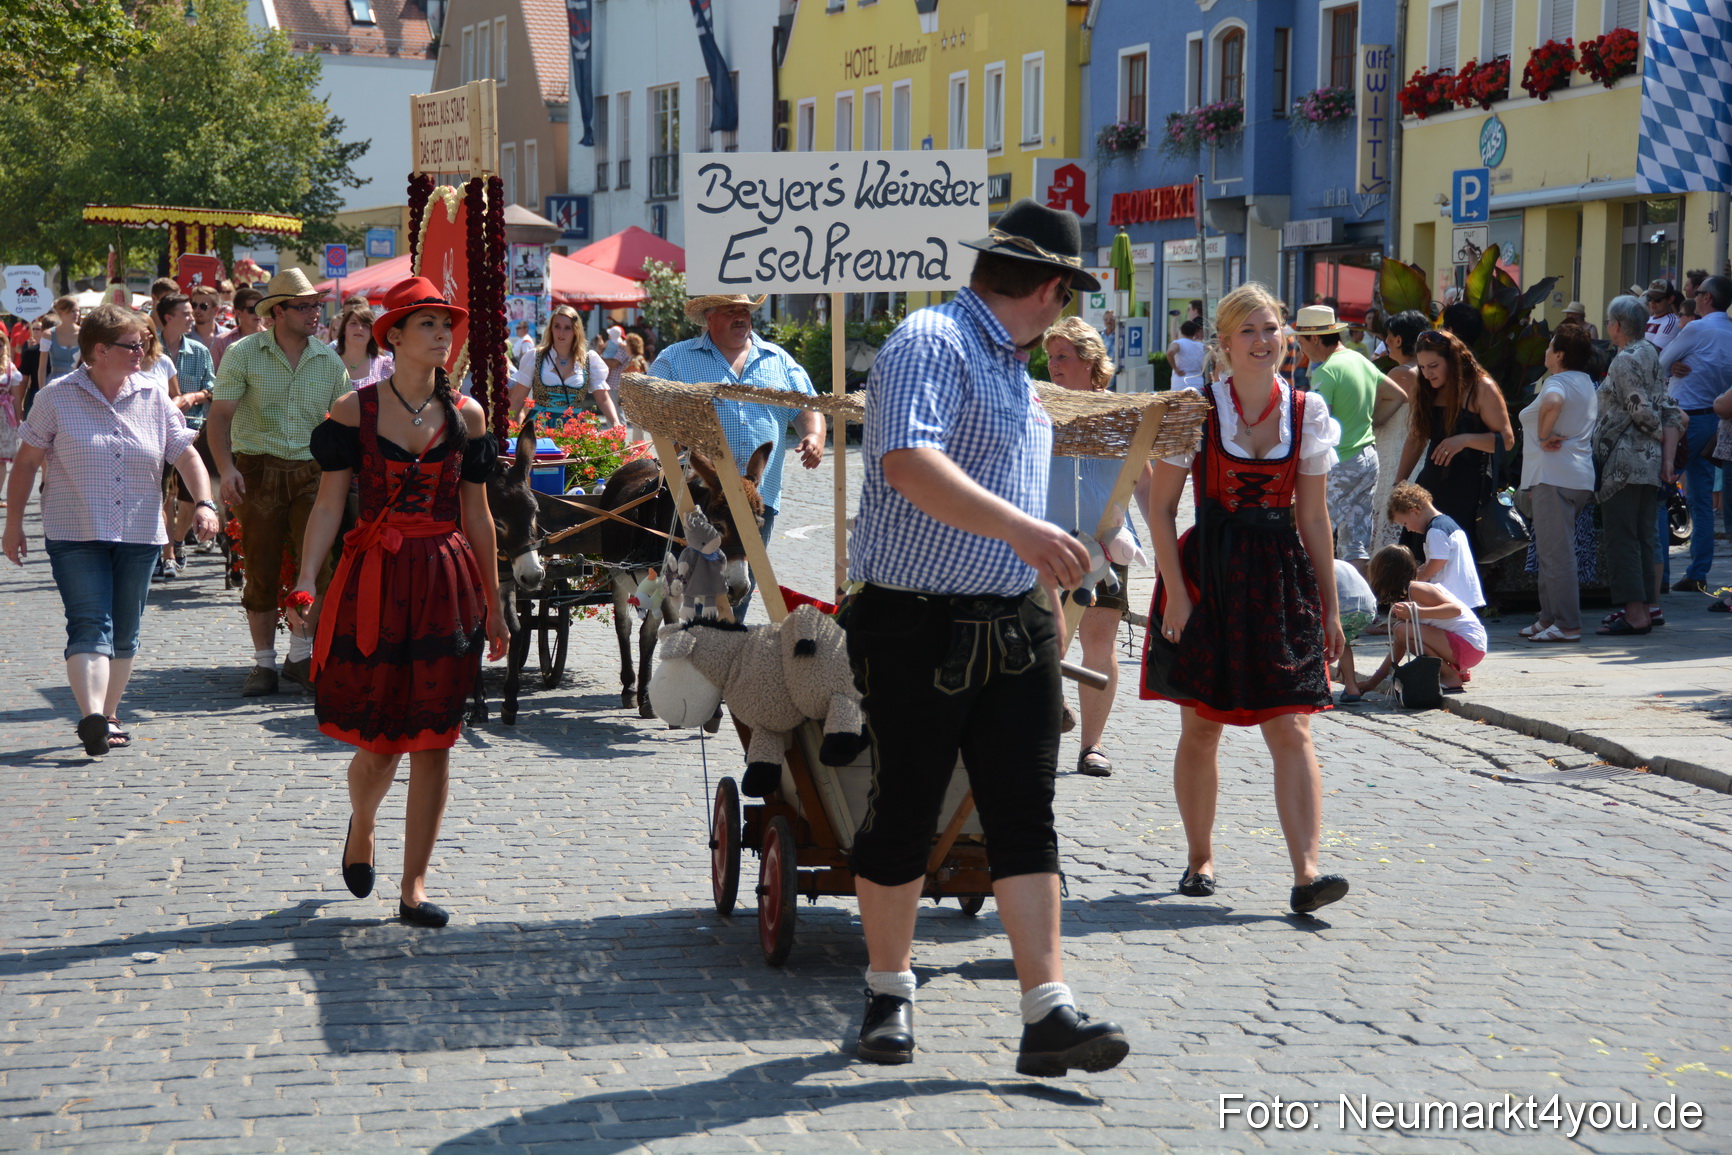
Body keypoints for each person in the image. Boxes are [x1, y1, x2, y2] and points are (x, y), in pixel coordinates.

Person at [845, 199, 1127, 1075]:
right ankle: (888, 992)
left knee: (1024, 811)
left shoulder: (1010, 364)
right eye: (1066, 292)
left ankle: (1047, 1010)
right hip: (916, 618)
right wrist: (1022, 530)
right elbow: (908, 460)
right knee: (906, 806)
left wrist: (1050, 555)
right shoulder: (932, 339)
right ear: (1048, 289)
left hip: (1014, 620)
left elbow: (1001, 477)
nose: (1063, 310)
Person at [285, 277, 507, 929]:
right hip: (375, 580)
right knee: (380, 743)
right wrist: (305, 577)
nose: (442, 335)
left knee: (435, 739)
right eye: (428, 324)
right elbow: (329, 505)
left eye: (447, 325)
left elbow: (479, 516)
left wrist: (495, 603)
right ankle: (362, 823)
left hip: (444, 580)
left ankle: (413, 887)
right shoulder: (353, 411)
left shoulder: (467, 415)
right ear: (396, 337)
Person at [1141, 281, 1348, 917]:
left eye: (1271, 329)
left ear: (1288, 337)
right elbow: (1160, 508)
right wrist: (1178, 595)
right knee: (1202, 725)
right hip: (1209, 571)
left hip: (1279, 576)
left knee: (1292, 723)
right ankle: (1200, 856)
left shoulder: (1307, 410)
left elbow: (1313, 518)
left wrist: (1330, 605)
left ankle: (1307, 872)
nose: (1263, 341)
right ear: (1225, 343)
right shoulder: (1196, 410)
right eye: (1249, 331)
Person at [3, 304, 220, 755]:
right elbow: (24, 464)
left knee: (125, 631)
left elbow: (186, 455)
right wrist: (14, 525)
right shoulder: (57, 396)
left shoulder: (153, 396)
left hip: (139, 532)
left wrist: (204, 502)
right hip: (74, 531)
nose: (143, 351)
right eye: (133, 345)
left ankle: (109, 712)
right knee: (89, 623)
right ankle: (93, 717)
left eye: (143, 343)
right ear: (100, 350)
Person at [208, 269, 353, 697]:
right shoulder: (243, 353)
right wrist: (226, 469)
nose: (314, 313)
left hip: (313, 473)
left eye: (316, 305)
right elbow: (220, 417)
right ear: (278, 312)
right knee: (261, 569)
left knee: (319, 567)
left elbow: (344, 425)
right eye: (304, 306)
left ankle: (300, 656)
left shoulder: (329, 360)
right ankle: (264, 664)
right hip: (257, 470)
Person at [649, 293, 824, 611]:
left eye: (744, 310)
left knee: (740, 586)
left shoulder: (778, 359)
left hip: (758, 499)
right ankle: (697, 638)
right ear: (709, 317)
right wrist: (672, 434)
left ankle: (728, 638)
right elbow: (647, 407)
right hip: (699, 499)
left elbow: (807, 406)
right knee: (697, 589)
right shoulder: (675, 359)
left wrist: (813, 435)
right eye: (730, 311)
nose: (740, 317)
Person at [1042, 316, 1153, 778]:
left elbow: (1144, 484)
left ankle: (1092, 745)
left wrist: (1166, 554)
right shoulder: (1040, 408)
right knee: (1042, 638)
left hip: (1107, 545)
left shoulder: (1121, 414)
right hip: (1045, 541)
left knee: (1099, 641)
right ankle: (1045, 714)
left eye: (1062, 356)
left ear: (1089, 361)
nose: (1053, 365)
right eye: (1049, 357)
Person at [1594, 294, 1685, 634]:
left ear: (1617, 325)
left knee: (1623, 538)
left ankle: (1635, 614)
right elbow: (1669, 407)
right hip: (1647, 464)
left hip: (1624, 463)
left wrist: (1659, 438)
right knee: (1644, 537)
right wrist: (1666, 454)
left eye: (1609, 322)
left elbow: (1642, 410)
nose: (1608, 327)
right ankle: (1646, 608)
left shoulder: (1625, 359)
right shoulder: (1650, 353)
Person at [1295, 304, 1408, 576]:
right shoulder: (1360, 360)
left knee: (1310, 534)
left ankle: (1310, 596)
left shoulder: (1326, 371)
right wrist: (1371, 421)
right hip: (1368, 459)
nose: (1301, 349)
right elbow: (1398, 395)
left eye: (1301, 341)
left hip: (1340, 463)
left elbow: (1318, 427)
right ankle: (1358, 599)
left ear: (1314, 338)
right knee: (1356, 542)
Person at [1395, 329, 1514, 566]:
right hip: (1430, 487)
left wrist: (1464, 440)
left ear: (1453, 361)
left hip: (1468, 488)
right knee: (1419, 559)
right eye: (1422, 367)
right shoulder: (1426, 388)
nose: (1427, 373)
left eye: (1433, 366)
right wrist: (1399, 484)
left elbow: (1507, 440)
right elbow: (1416, 439)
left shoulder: (1481, 388)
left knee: (1456, 561)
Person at [1516, 325, 1599, 642]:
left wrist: (1543, 435)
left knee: (1556, 554)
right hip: (1575, 476)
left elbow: (1552, 402)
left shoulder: (1558, 381)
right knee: (1550, 550)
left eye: (1550, 347)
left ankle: (1567, 624)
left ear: (1560, 354)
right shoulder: (1585, 382)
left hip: (1554, 477)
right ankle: (1548, 617)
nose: (1546, 351)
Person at [1657, 275, 1732, 595]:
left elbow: (1659, 363)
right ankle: (1698, 572)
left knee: (1660, 492)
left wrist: (1673, 366)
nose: (1695, 296)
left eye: (1698, 293)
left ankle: (1659, 575)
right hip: (1717, 422)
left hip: (1686, 419)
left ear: (1706, 298)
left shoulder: (1697, 329)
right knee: (1701, 500)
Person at [1364, 544, 1486, 693]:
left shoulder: (1416, 589)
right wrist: (1372, 683)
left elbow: (1454, 610)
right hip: (1464, 649)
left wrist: (1417, 612)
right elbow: (1399, 645)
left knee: (1401, 629)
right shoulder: (1402, 596)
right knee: (1403, 633)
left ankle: (1450, 676)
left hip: (1470, 645)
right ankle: (1454, 670)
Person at [506, 305, 621, 428]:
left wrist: (616, 423)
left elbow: (603, 399)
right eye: (557, 326)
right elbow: (518, 399)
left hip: (573, 430)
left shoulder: (589, 360)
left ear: (576, 331)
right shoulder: (535, 357)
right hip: (539, 428)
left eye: (567, 328)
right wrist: (505, 428)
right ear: (551, 328)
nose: (561, 333)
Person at [1370, 310, 1426, 553]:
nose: (1386, 342)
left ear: (1399, 339)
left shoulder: (1401, 373)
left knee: (1387, 528)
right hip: (1417, 455)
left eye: (1389, 337)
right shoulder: (1428, 370)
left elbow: (1372, 415)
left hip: (1396, 456)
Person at [332, 302, 393, 386]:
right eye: (353, 323)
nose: (359, 328)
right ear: (344, 329)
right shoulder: (330, 362)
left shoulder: (385, 365)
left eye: (365, 325)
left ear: (372, 333)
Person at [210, 286, 265, 372]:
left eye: (260, 309)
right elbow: (212, 374)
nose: (257, 314)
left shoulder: (273, 339)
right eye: (252, 310)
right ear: (238, 313)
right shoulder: (222, 342)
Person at [42, 296, 81, 388]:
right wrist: (41, 390)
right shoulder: (49, 334)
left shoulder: (83, 333)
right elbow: (42, 368)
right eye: (72, 311)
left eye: (78, 311)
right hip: (55, 382)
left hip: (77, 381)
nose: (76, 314)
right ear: (60, 312)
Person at [1165, 319, 1206, 388]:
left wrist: (1176, 369)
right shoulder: (1201, 345)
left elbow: (1170, 353)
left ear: (1181, 331)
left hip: (1180, 382)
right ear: (1195, 332)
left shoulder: (1179, 343)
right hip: (1197, 382)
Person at [1643, 280, 1683, 351]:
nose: (1652, 302)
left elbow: (1654, 351)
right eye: (1649, 298)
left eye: (1657, 299)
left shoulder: (1672, 322)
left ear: (1670, 299)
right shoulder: (1647, 319)